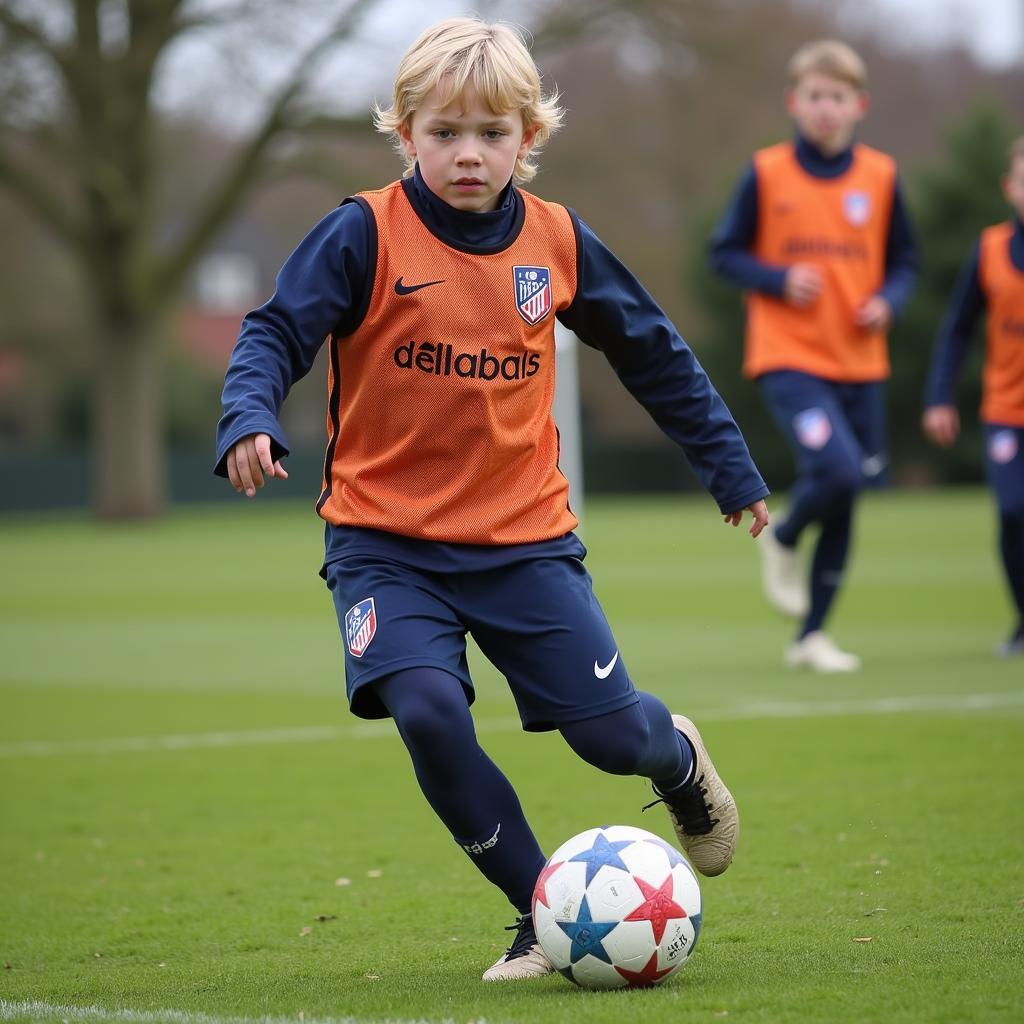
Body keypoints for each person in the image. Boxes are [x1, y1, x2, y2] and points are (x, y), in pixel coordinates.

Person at [215, 16, 769, 981]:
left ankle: (675, 759)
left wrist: (728, 467)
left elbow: (653, 354)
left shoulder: (556, 240)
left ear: (529, 138)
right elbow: (273, 332)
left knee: (609, 741)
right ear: (405, 132)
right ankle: (537, 914)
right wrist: (247, 415)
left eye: (491, 134)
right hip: (382, 542)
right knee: (426, 710)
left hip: (524, 544)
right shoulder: (362, 231)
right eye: (443, 133)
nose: (467, 154)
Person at [709, 39, 918, 673]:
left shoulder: (880, 176)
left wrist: (889, 298)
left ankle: (812, 637)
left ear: (859, 105)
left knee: (850, 494)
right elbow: (724, 252)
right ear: (795, 103)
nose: (826, 109)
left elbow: (906, 260)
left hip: (860, 363)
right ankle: (788, 537)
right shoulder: (767, 172)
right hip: (789, 355)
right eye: (815, 97)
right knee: (841, 472)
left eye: (838, 98)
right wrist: (777, 279)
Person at [922, 137, 1024, 657]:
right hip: (1006, 411)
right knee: (1012, 511)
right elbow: (958, 328)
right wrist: (939, 396)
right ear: (1011, 187)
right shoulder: (989, 250)